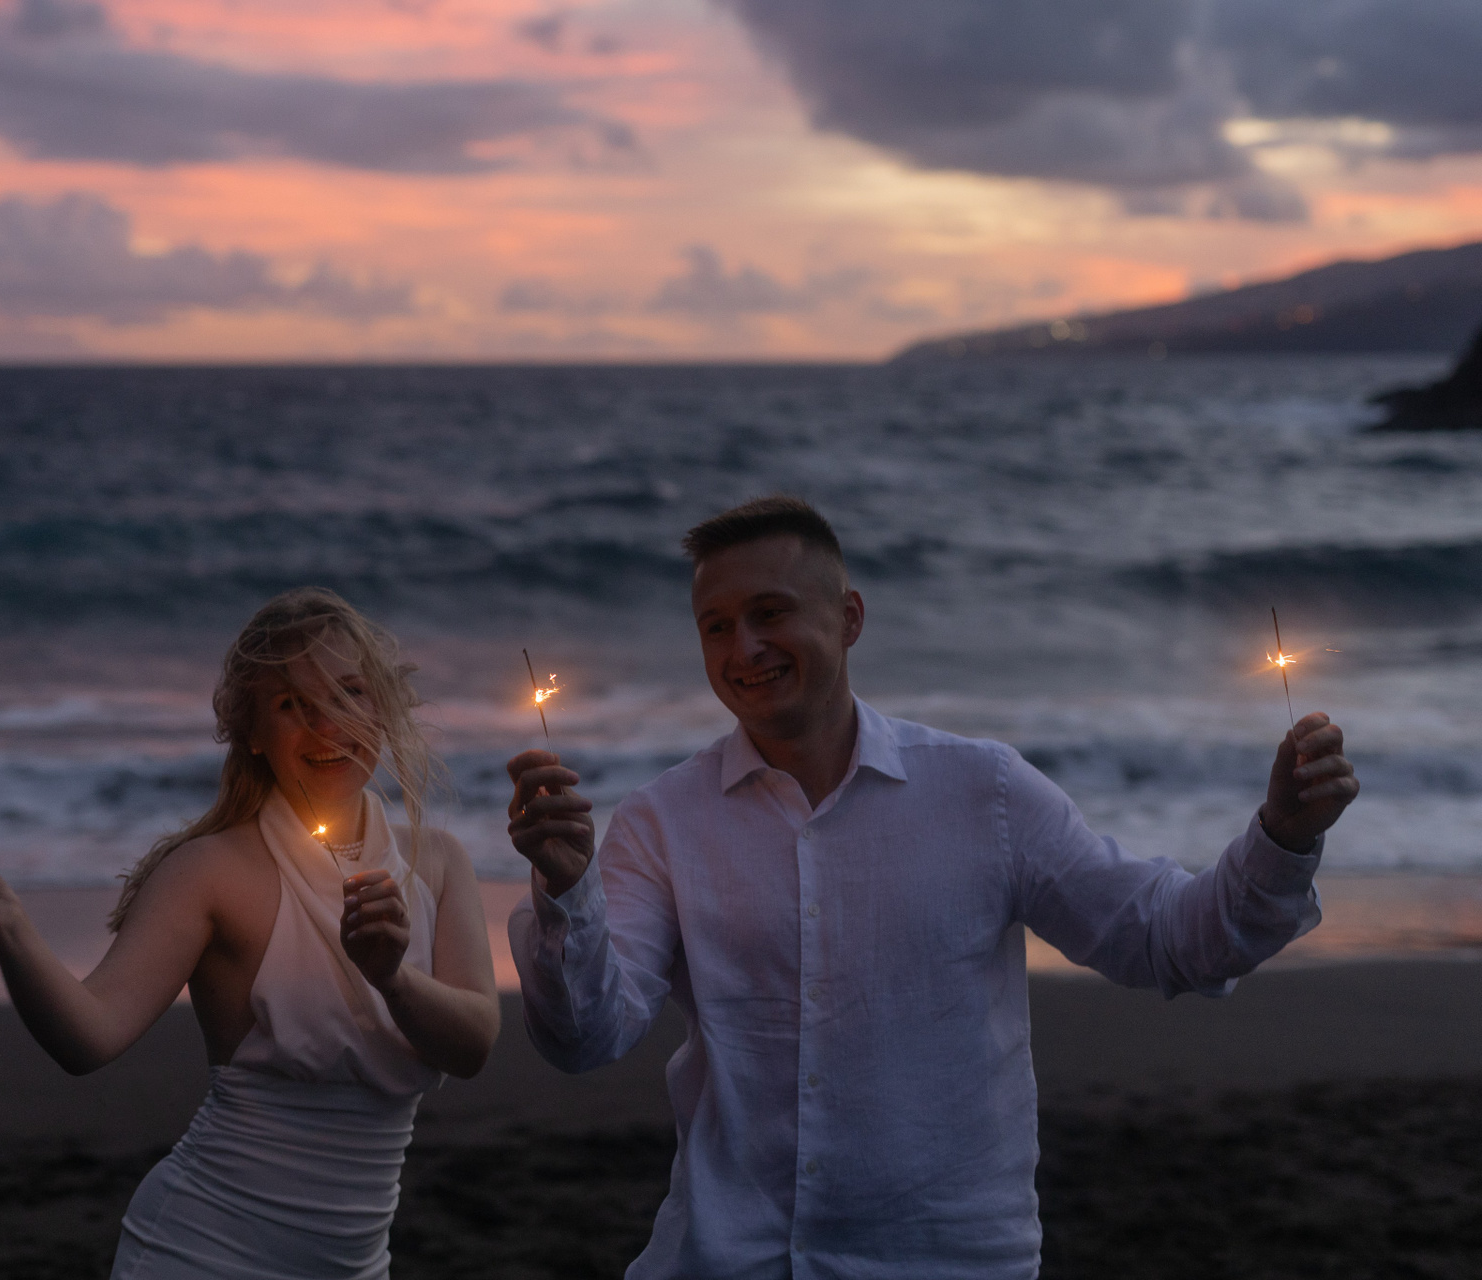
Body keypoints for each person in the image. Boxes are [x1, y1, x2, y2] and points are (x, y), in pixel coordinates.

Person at [506, 496, 1359, 1280]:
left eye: (770, 613)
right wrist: (566, 889)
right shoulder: (661, 821)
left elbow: (1170, 941)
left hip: (948, 1260)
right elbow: (587, 1036)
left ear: (849, 618)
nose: (743, 649)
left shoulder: (984, 793)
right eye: (716, 626)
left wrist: (1283, 837)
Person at [0, 587, 500, 1280]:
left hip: (356, 1266)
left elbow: (474, 1044)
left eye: (349, 693)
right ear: (252, 733)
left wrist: (391, 976)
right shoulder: (209, 871)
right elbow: (88, 1038)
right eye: (291, 705)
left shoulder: (437, 862)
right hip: (201, 1250)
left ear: (383, 707)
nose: (327, 724)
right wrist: (7, 924)